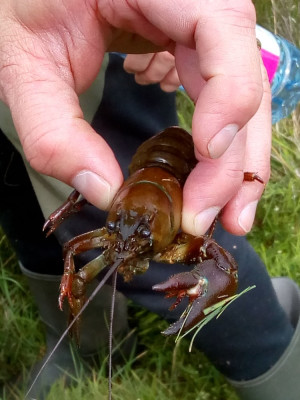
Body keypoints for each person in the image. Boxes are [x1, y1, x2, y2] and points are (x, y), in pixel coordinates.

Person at [0, 2, 299, 399]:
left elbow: (217, 264)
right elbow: (73, 248)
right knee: (30, 197)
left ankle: (277, 365)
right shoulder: (116, 228)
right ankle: (88, 345)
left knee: (202, 245)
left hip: (97, 58)